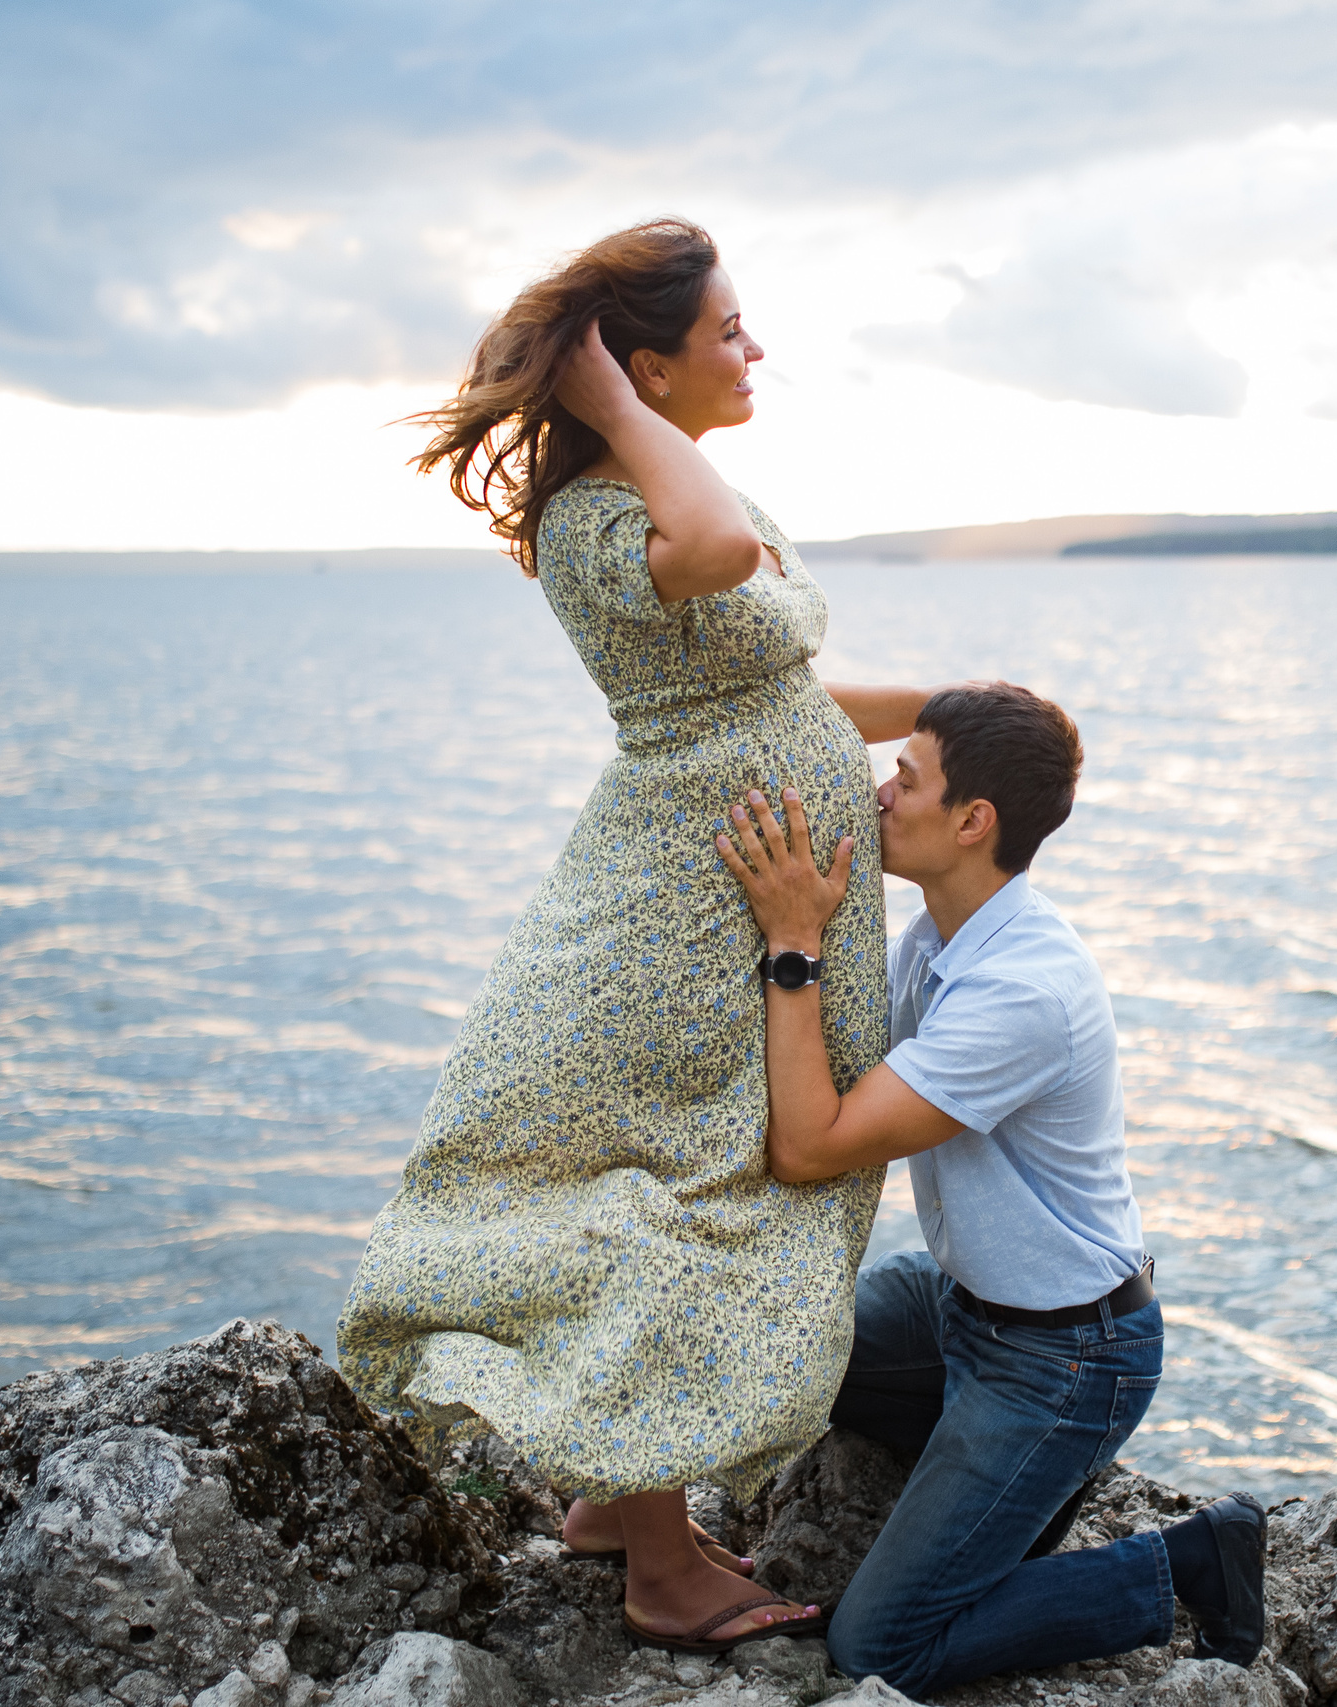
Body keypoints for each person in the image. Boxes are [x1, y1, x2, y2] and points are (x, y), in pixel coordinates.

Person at [335, 219, 949, 1655]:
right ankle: (663, 1565)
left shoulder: (680, 488)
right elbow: (724, 557)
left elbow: (771, 677)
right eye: (727, 331)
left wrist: (952, 701)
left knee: (705, 1177)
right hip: (687, 914)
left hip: (741, 890)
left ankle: (626, 1499)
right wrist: (606, 403)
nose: (753, 352)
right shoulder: (606, 516)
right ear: (643, 362)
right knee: (689, 1194)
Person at [715, 682, 1267, 1697]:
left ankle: (1186, 1562)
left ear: (972, 822)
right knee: (763, 1343)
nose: (879, 793)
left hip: (1062, 1361)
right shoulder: (938, 936)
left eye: (905, 778)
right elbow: (823, 1085)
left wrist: (792, 944)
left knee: (878, 1649)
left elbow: (812, 1145)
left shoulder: (1021, 991)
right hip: (956, 1309)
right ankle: (987, 1485)